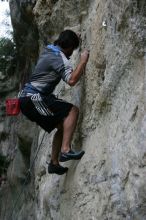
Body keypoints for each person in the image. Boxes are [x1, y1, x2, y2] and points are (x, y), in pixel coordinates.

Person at [19, 30, 89, 175]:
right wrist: (82, 61)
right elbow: (71, 80)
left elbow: (65, 39)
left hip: (29, 99)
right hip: (32, 98)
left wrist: (73, 36)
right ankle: (65, 150)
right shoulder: (59, 57)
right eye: (72, 49)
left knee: (63, 125)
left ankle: (54, 164)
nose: (71, 53)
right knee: (73, 111)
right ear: (69, 46)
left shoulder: (50, 50)